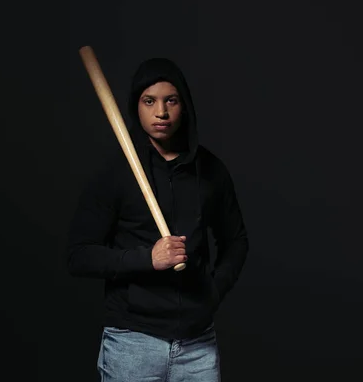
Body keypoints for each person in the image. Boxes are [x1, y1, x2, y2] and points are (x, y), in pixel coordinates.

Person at [67, 57, 249, 381]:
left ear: (185, 105)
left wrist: (214, 291)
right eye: (149, 101)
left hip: (198, 346)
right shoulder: (115, 174)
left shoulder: (210, 171)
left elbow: (235, 241)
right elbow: (79, 255)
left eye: (171, 101)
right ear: (137, 106)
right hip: (131, 342)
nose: (161, 112)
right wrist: (147, 259)